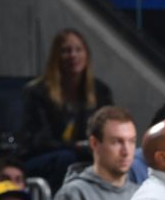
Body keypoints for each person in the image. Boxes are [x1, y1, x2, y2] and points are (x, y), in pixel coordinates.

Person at [22, 29, 113, 190]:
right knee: (67, 159)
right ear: (56, 57)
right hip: (44, 156)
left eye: (79, 49)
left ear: (86, 55)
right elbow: (39, 141)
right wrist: (75, 146)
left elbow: (107, 130)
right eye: (66, 51)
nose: (73, 55)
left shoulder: (100, 91)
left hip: (84, 154)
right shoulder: (38, 92)